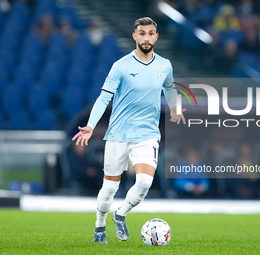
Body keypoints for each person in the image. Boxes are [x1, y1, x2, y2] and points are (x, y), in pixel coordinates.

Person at [72, 17, 186, 243]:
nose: (146, 37)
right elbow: (104, 97)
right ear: (135, 36)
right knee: (109, 189)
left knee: (144, 183)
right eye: (141, 33)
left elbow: (170, 88)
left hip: (147, 135)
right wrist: (91, 126)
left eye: (150, 33)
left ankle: (121, 214)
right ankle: (99, 224)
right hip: (118, 134)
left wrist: (175, 108)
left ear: (156, 36)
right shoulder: (121, 66)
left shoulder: (164, 65)